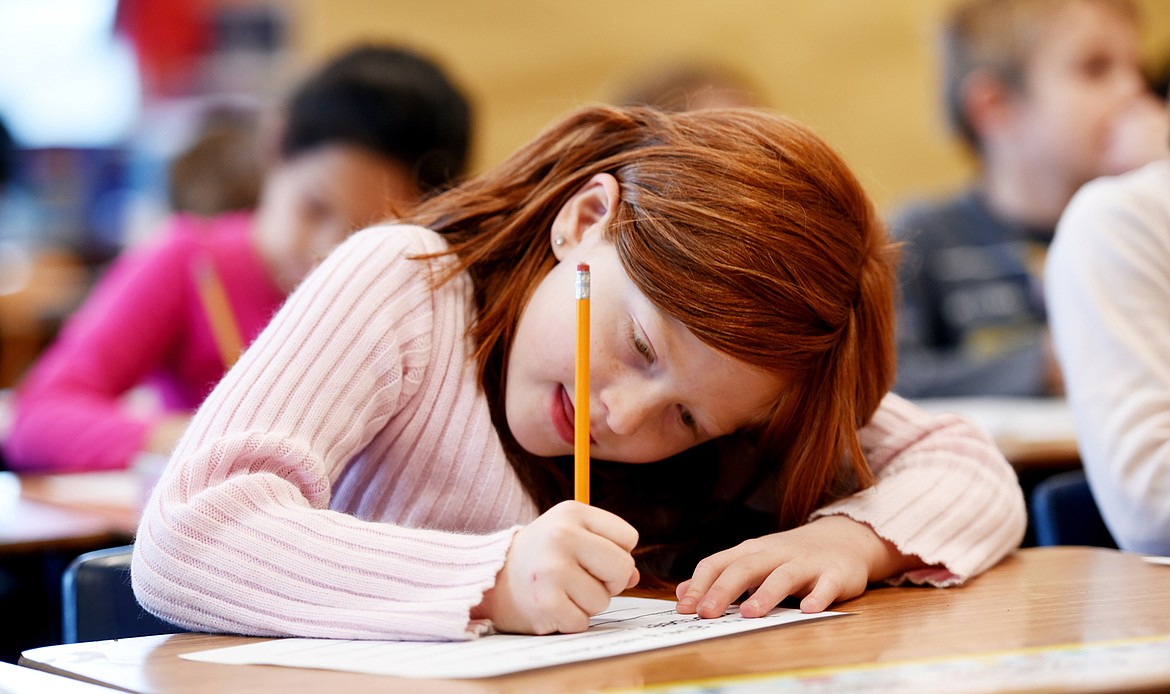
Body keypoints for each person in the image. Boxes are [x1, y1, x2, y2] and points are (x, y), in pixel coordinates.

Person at [130, 105, 1026, 640]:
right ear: (586, 218)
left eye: (687, 422)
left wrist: (848, 542)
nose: (624, 416)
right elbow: (187, 535)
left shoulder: (749, 390)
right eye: (638, 343)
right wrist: (496, 580)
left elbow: (964, 463)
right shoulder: (407, 286)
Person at [1, 44, 472, 472]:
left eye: (369, 236)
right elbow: (38, 416)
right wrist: (195, 438)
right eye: (314, 208)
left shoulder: (416, 299)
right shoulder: (189, 262)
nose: (325, 255)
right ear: (275, 145)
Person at [890, 0, 1167, 398]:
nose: (1134, 90)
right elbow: (884, 386)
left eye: (1138, 69)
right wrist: (1049, 363)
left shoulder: (1143, 227)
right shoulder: (918, 238)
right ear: (994, 106)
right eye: (1096, 68)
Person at [1046, 148, 1170, 555]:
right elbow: (1153, 506)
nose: (1127, 92)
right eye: (1095, 77)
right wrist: (1035, 365)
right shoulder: (1122, 220)